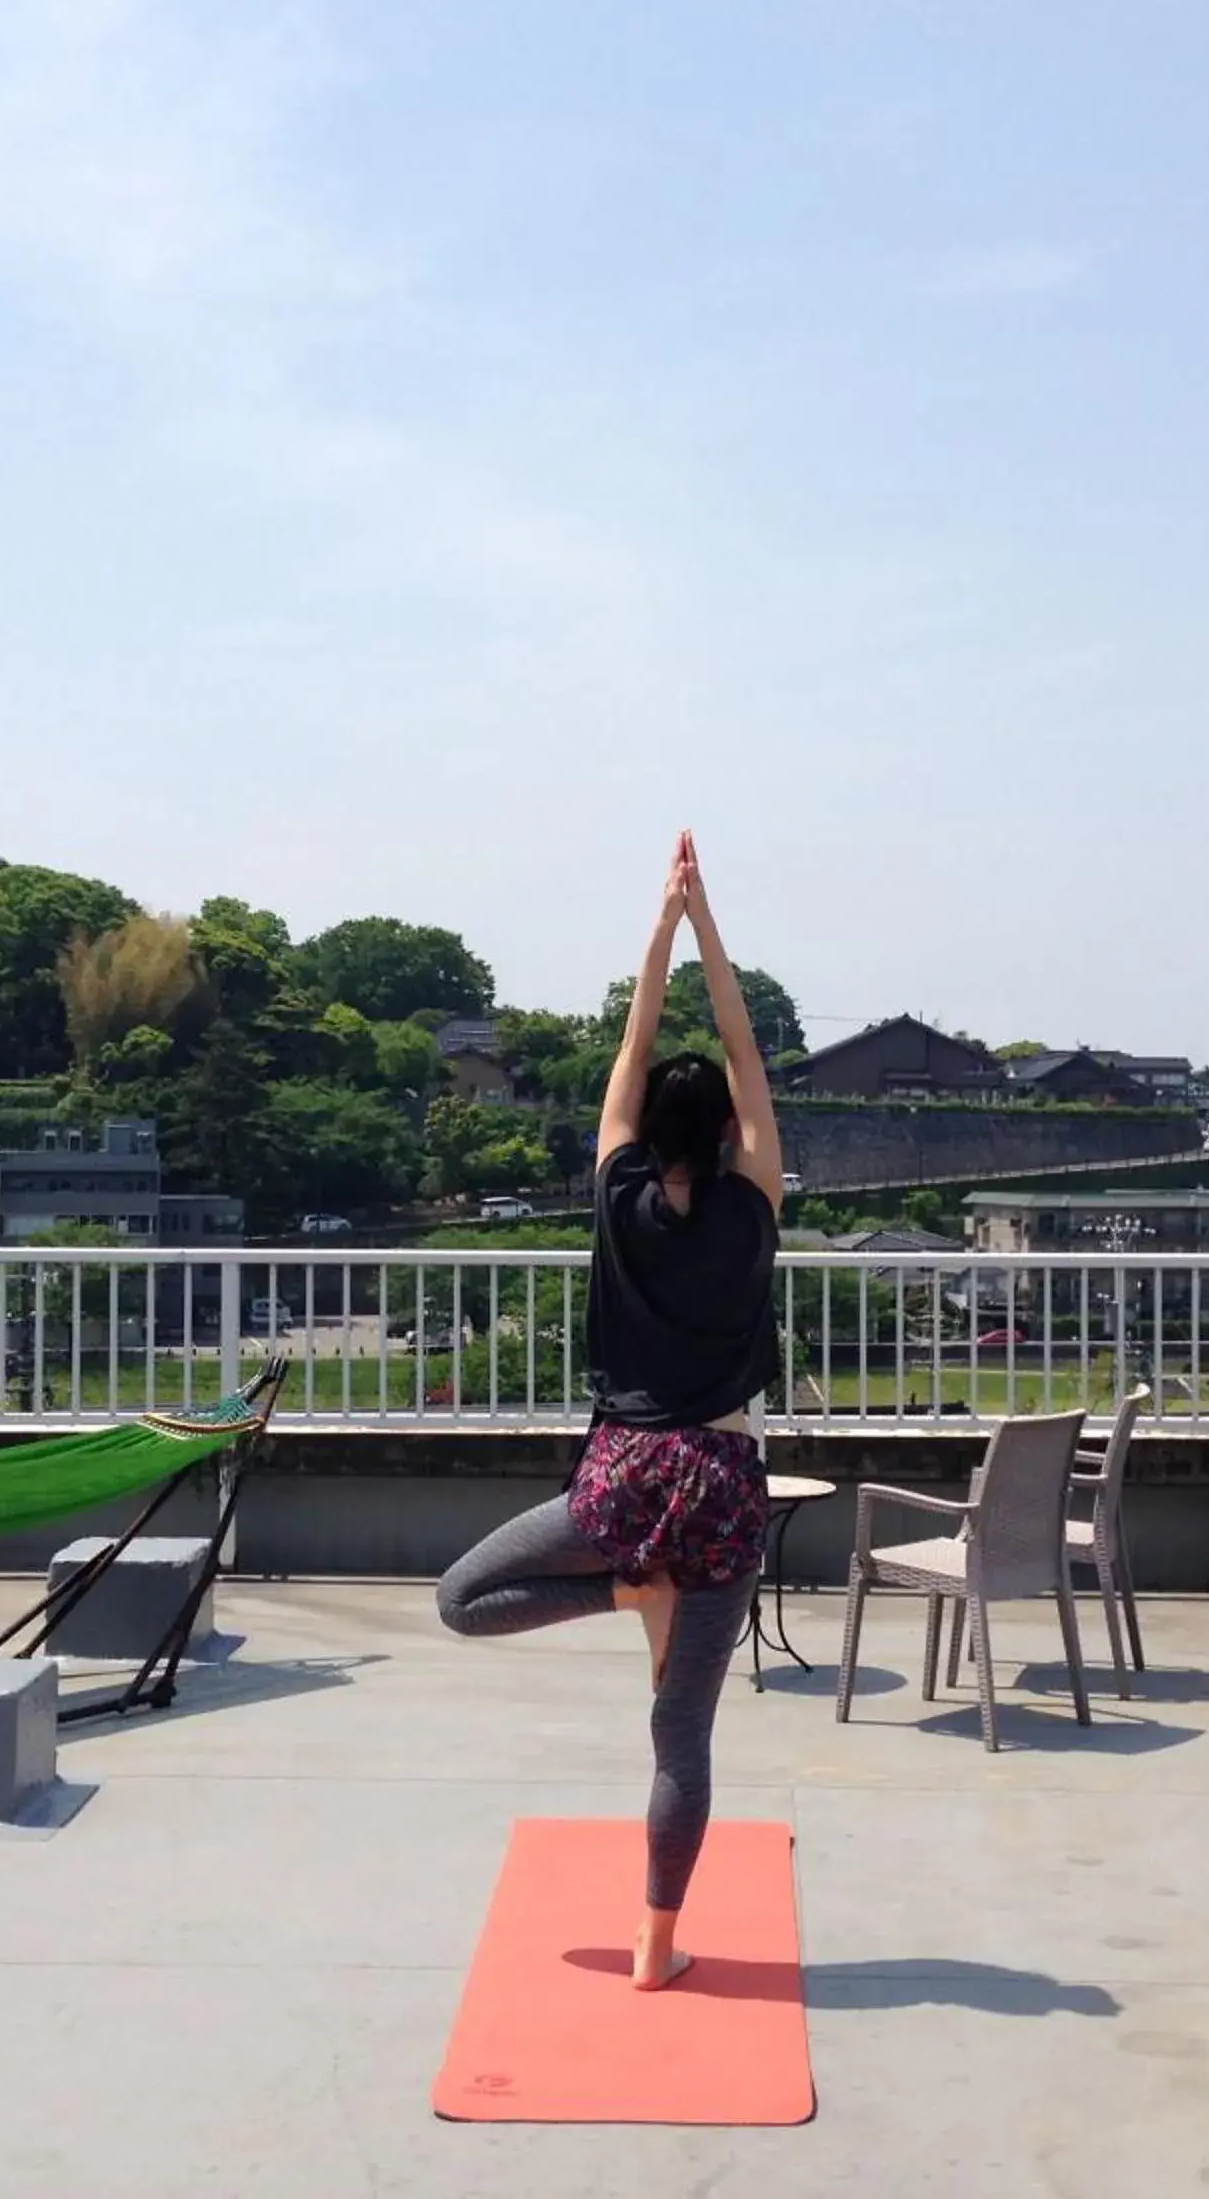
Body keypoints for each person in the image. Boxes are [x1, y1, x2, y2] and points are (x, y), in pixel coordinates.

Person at [435, 831, 785, 1991]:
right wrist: (710, 928)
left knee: (462, 1601)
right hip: (726, 1485)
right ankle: (654, 1946)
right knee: (682, 1733)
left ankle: (621, 1583)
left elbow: (637, 1049)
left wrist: (661, 928)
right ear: (730, 1135)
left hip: (626, 1477)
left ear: (646, 1135)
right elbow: (739, 1047)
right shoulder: (756, 1200)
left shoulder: (618, 1190)